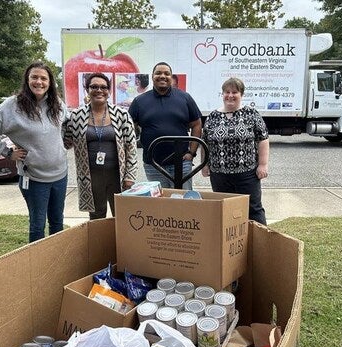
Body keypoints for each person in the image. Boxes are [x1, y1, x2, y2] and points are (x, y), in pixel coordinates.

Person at [0, 61, 69, 242]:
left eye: (44, 78)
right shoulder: (12, 106)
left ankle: (58, 261)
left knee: (57, 222)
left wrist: (64, 141)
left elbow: (66, 123)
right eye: (34, 77)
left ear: (50, 82)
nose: (39, 82)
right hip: (34, 178)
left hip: (60, 175)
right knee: (37, 224)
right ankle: (36, 264)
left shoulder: (56, 103)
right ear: (27, 80)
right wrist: (6, 152)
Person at [64, 73, 138, 219]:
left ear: (109, 91)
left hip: (118, 176)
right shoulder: (76, 116)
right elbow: (65, 142)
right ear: (87, 89)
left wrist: (130, 176)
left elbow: (131, 147)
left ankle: (120, 242)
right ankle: (99, 242)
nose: (99, 90)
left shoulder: (121, 114)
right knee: (96, 215)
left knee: (122, 215)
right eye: (94, 87)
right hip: (91, 176)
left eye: (103, 87)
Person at [202, 77, 269, 225]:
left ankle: (261, 244)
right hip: (219, 175)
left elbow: (263, 139)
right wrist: (204, 164)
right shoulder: (213, 116)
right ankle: (229, 244)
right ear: (222, 94)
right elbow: (205, 141)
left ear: (241, 95)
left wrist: (263, 164)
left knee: (253, 209)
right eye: (227, 92)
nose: (230, 95)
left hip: (247, 174)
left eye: (234, 92)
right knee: (225, 210)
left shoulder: (251, 114)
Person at [129, 62, 202, 190]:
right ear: (152, 76)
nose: (162, 76)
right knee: (160, 203)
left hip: (181, 162)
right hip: (153, 164)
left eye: (166, 73)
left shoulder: (184, 98)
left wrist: (191, 153)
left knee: (183, 203)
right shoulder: (139, 101)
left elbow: (197, 124)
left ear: (171, 77)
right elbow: (129, 129)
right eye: (158, 73)